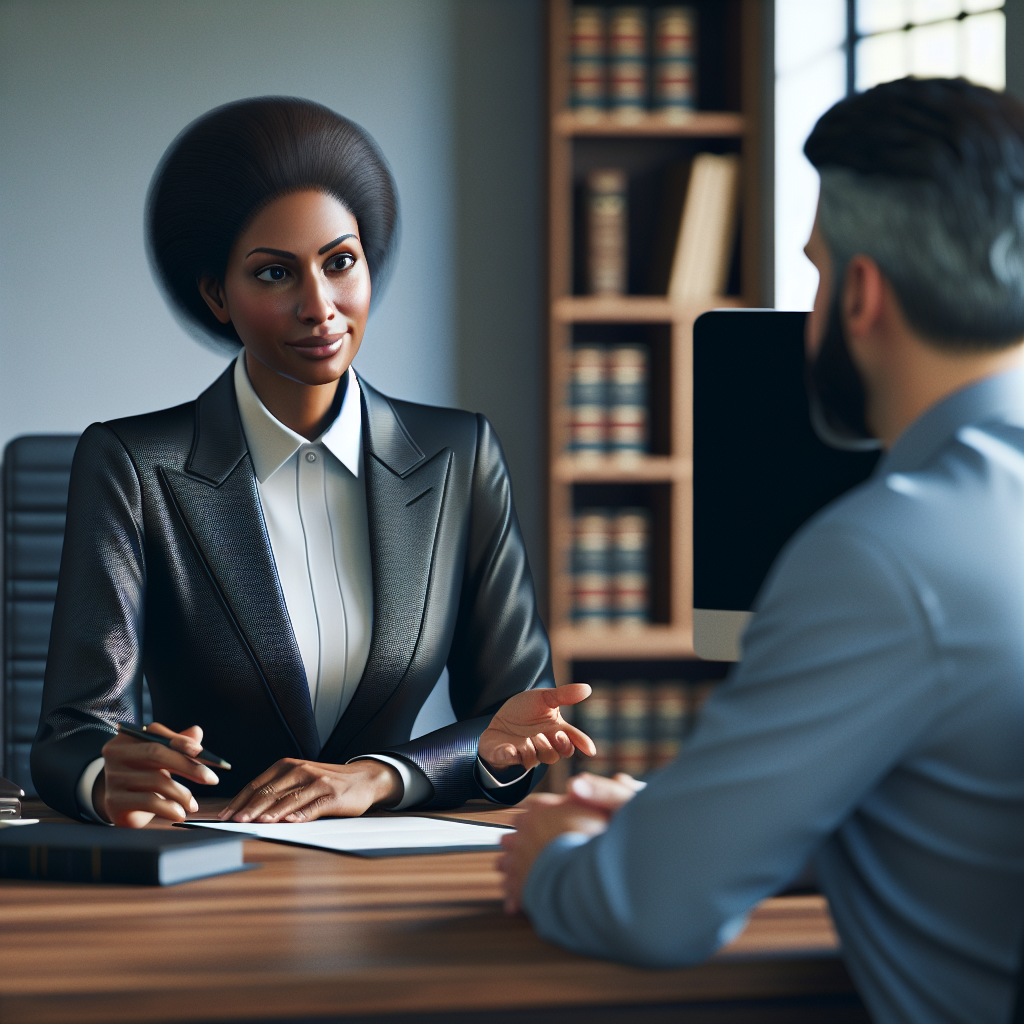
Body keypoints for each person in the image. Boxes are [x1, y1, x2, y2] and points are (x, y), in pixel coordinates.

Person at [499, 78, 1024, 1024]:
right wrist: (700, 826)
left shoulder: (889, 555)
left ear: (860, 293)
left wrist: (562, 858)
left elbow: (650, 914)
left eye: (817, 269)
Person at [31, 97, 594, 829]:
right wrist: (109, 778)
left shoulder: (460, 456)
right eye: (274, 275)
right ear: (217, 295)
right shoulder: (134, 466)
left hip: (394, 874)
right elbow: (68, 736)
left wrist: (376, 778)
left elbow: (510, 722)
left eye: (340, 263)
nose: (321, 306)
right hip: (215, 863)